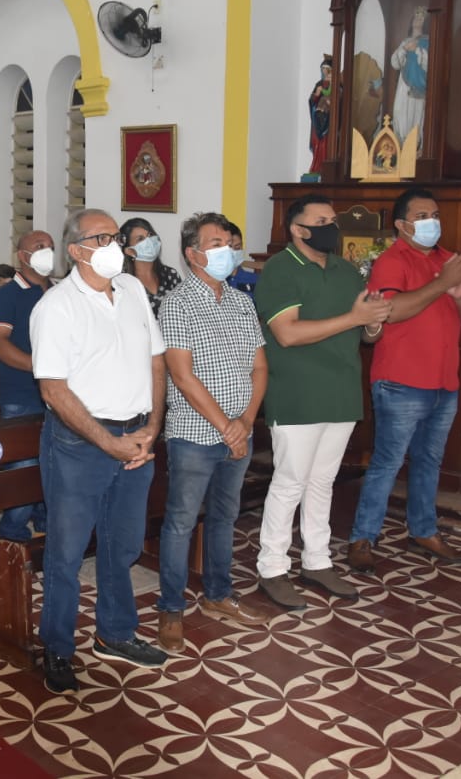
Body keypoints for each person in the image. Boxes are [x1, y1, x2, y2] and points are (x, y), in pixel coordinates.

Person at [31, 209, 168, 694]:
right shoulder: (56, 307)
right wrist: (108, 442)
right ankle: (58, 647)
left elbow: (156, 358)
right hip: (80, 443)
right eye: (103, 237)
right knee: (67, 553)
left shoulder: (131, 290)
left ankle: (115, 633)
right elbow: (53, 389)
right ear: (76, 250)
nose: (115, 244)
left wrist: (152, 425)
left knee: (122, 544)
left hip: (135, 434)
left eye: (116, 235)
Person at [253, 196, 392, 610]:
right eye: (321, 221)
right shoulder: (280, 269)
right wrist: (353, 319)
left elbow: (368, 335)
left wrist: (370, 322)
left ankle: (316, 559)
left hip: (341, 389)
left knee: (322, 481)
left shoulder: (347, 270)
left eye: (333, 219)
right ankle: (272, 566)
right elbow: (287, 334)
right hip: (297, 392)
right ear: (298, 230)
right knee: (290, 480)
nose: (332, 226)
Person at [347, 188, 461, 572]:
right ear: (402, 225)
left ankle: (423, 530)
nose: (432, 223)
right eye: (423, 216)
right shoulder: (392, 262)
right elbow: (391, 311)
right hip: (400, 381)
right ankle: (363, 537)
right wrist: (443, 284)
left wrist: (458, 294)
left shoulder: (449, 261)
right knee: (388, 463)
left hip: (444, 381)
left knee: (430, 461)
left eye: (435, 214)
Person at [156, 212, 270, 655]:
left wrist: (245, 422)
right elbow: (181, 376)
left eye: (229, 241)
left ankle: (218, 595)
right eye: (216, 242)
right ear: (193, 253)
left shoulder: (241, 300)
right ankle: (170, 608)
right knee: (181, 522)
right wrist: (227, 426)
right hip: (194, 434)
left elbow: (260, 367)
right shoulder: (178, 303)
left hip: (238, 432)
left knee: (225, 518)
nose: (228, 249)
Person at [0, 229, 55, 541]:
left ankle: (45, 523)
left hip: (61, 394)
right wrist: (40, 369)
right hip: (23, 392)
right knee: (24, 466)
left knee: (52, 464)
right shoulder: (6, 296)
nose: (47, 251)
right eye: (39, 246)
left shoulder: (61, 291)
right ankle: (11, 531)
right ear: (22, 256)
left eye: (51, 246)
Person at [120, 217, 183, 321]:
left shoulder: (170, 275)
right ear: (130, 251)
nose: (149, 241)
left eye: (150, 235)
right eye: (140, 239)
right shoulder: (122, 282)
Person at [390, 6, 429, 150]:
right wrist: (404, 49)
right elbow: (395, 63)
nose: (417, 20)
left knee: (415, 116)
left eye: (421, 18)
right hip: (404, 84)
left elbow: (429, 64)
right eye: (416, 16)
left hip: (418, 85)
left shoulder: (427, 41)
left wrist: (417, 50)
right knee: (400, 113)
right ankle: (400, 147)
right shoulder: (405, 41)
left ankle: (413, 149)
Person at [308, 55, 333, 174]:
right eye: (322, 69)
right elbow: (311, 101)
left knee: (327, 145)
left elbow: (339, 99)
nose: (324, 72)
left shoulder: (336, 84)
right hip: (318, 118)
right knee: (318, 145)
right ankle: (316, 167)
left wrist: (330, 101)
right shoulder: (319, 83)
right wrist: (316, 94)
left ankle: (325, 169)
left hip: (329, 120)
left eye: (326, 69)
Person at [224, 221, 259, 297]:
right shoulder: (214, 282)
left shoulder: (255, 280)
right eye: (229, 248)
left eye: (237, 247)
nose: (233, 252)